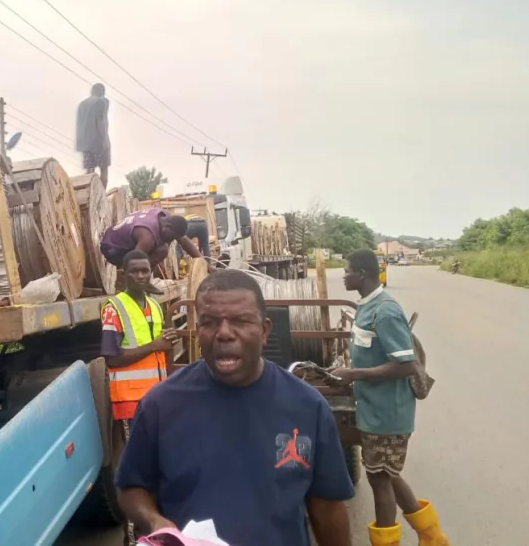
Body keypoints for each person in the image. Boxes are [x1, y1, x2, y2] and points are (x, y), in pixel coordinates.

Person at [116, 269, 354, 546]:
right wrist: (155, 521)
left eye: (240, 321)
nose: (224, 333)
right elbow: (131, 487)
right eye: (209, 322)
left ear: (265, 330)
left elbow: (326, 508)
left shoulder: (308, 406)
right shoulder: (160, 404)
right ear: (198, 331)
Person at [332, 250, 448, 546]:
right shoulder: (367, 306)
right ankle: (432, 536)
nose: (343, 275)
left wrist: (354, 374)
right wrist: (346, 372)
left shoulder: (384, 311)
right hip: (374, 410)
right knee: (386, 474)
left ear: (362, 274)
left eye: (347, 270)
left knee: (380, 482)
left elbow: (406, 364)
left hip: (388, 414)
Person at [100, 250, 180, 423]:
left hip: (157, 394)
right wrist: (154, 345)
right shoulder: (114, 308)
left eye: (145, 271)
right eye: (134, 271)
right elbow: (112, 358)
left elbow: (161, 350)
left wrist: (169, 340)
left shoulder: (154, 305)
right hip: (132, 401)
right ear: (123, 275)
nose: (141, 276)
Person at [100, 208, 208, 272]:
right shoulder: (147, 237)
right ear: (167, 228)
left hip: (118, 237)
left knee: (162, 248)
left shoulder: (164, 215)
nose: (171, 241)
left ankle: (143, 279)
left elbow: (184, 241)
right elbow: (133, 262)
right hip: (112, 248)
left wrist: (207, 265)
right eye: (172, 238)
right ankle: (138, 283)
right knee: (163, 250)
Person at [75, 82, 110, 188]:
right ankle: (102, 195)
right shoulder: (102, 101)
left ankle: (88, 193)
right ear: (101, 92)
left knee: (89, 170)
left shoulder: (82, 104)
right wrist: (105, 142)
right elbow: (101, 121)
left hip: (85, 144)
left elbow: (80, 125)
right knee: (104, 169)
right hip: (99, 141)